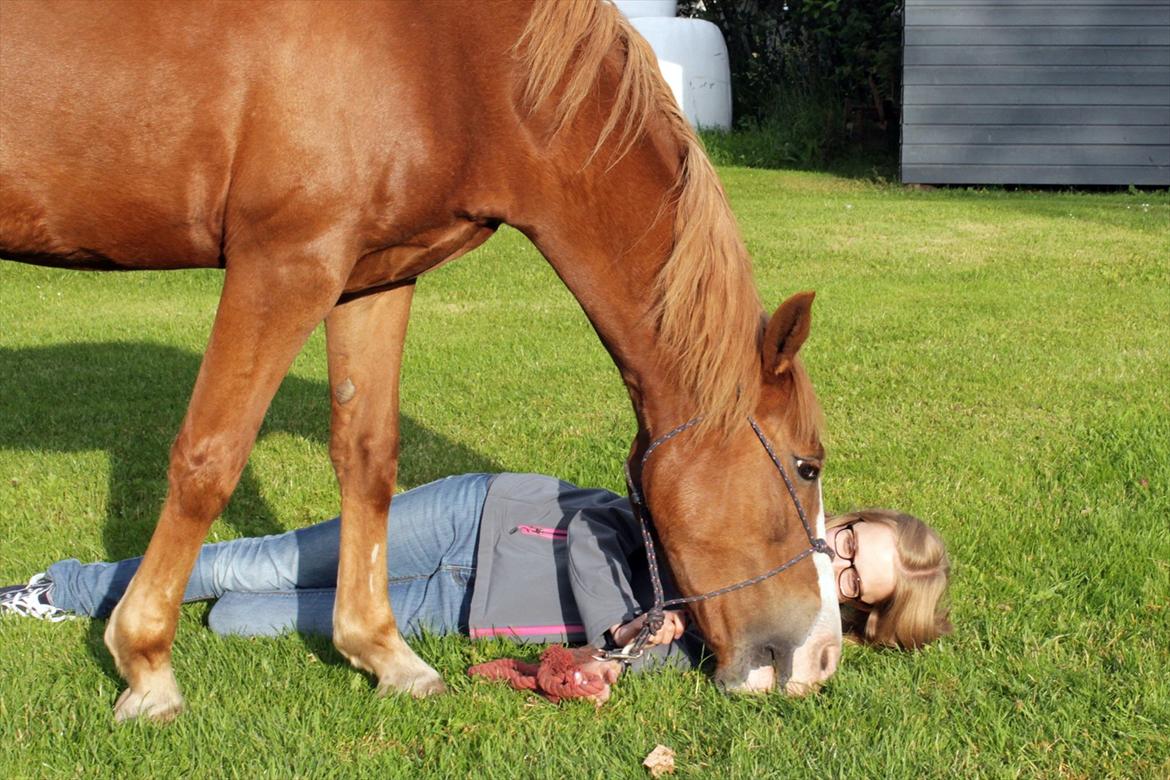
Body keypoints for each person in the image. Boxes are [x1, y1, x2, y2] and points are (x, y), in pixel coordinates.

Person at [0, 472, 951, 690]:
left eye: (853, 585)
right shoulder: (746, 507)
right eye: (849, 543)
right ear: (852, 518)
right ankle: (66, 587)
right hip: (487, 517)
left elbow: (626, 662)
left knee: (241, 621)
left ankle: (204, 615)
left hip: (471, 610)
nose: (833, 565)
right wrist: (637, 626)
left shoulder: (752, 634)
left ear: (857, 611)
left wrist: (626, 655)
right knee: (267, 558)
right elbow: (616, 523)